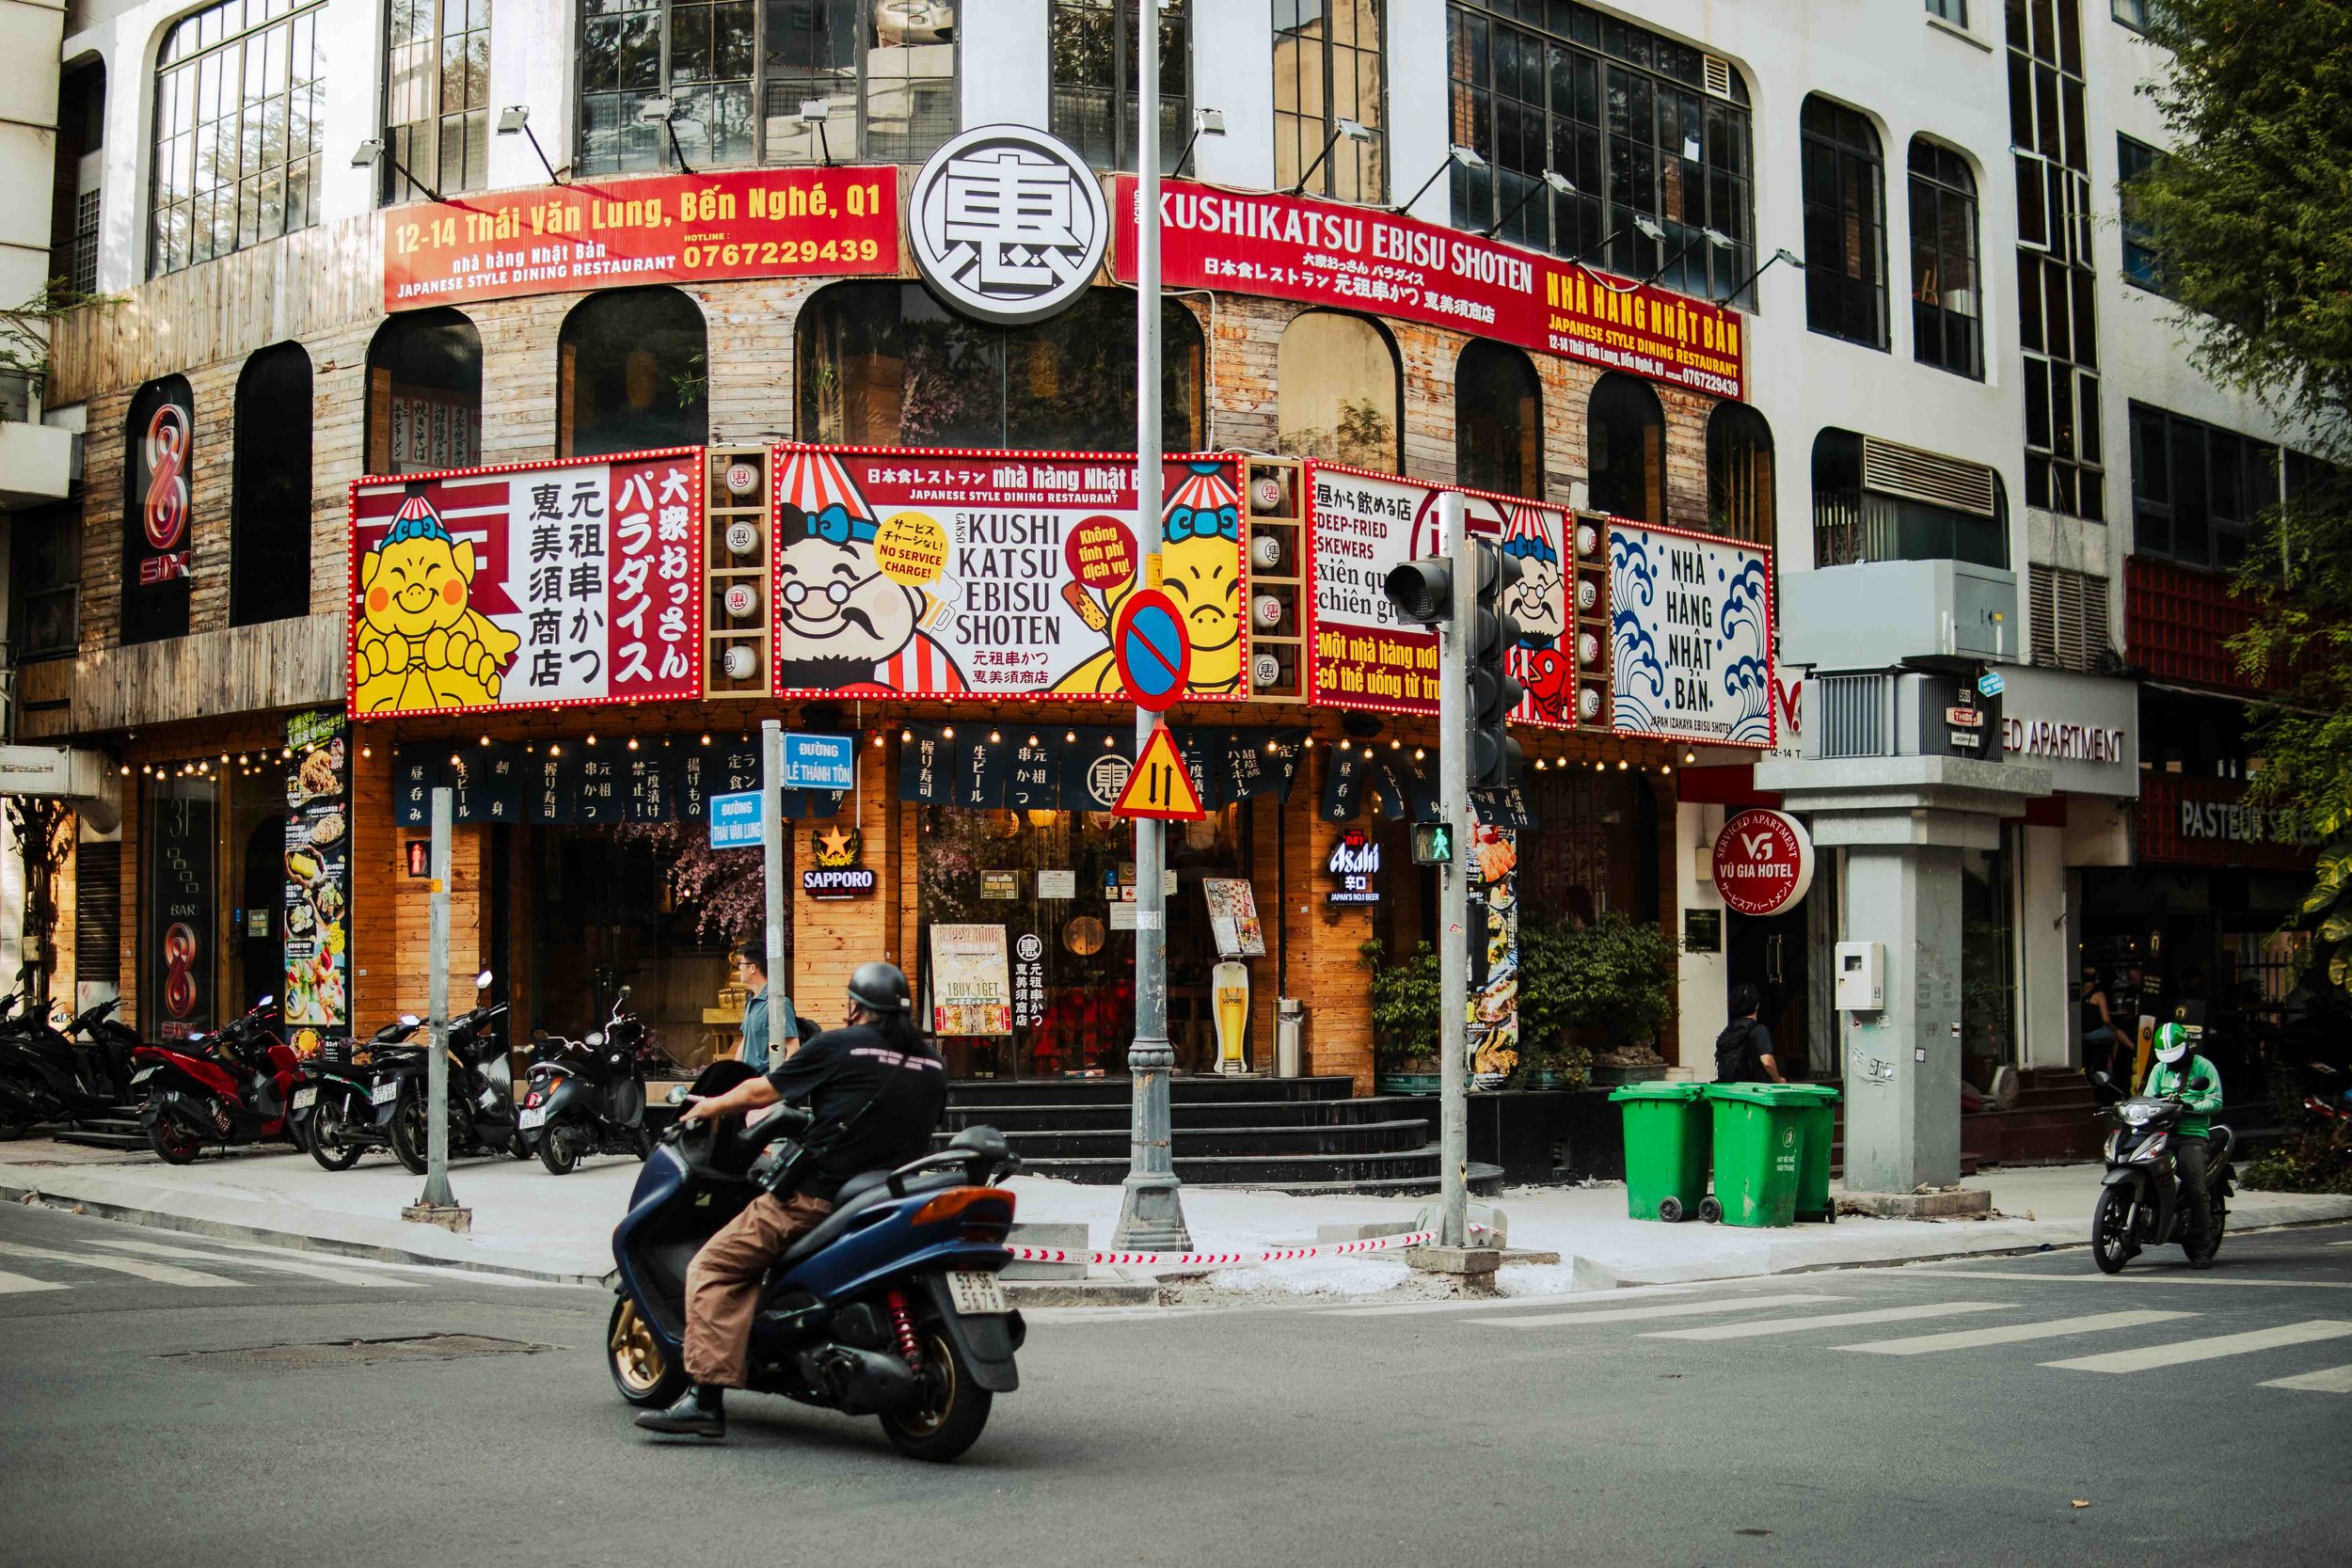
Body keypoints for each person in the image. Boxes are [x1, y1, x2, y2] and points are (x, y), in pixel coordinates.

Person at [636, 960, 947, 1439]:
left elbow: (760, 1090)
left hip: (816, 1198)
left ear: (855, 1006)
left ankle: (703, 1398)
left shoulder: (839, 1045)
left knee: (714, 1266)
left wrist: (707, 1106)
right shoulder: (931, 1063)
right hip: (884, 1193)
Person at [2144, 1022, 2224, 1269]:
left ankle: (2201, 1246)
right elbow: (2148, 1097)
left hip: (2192, 1135)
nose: (2171, 1062)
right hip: (2162, 1135)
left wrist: (2190, 1107)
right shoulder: (2159, 1069)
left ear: (2186, 1047)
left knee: (2195, 1187)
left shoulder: (2204, 1067)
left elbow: (2215, 1101)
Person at [1714, 983, 1786, 1085]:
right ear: (1757, 1005)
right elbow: (1767, 1062)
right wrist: (1778, 1080)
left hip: (1730, 1089)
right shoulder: (1759, 1030)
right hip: (1754, 1089)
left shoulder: (1728, 1030)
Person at [2080, 964, 2123, 1084]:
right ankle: (2109, 1068)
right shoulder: (2099, 994)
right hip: (2094, 1033)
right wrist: (2112, 1027)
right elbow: (2106, 1020)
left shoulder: (2079, 994)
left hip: (2082, 1034)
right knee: (2116, 1035)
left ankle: (2091, 1067)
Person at [733, 942, 771, 1072]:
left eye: (741, 964)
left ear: (753, 968)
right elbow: (746, 1041)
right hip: (748, 1079)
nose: (739, 968)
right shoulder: (751, 1000)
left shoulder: (776, 1002)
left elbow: (792, 1048)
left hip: (765, 1081)